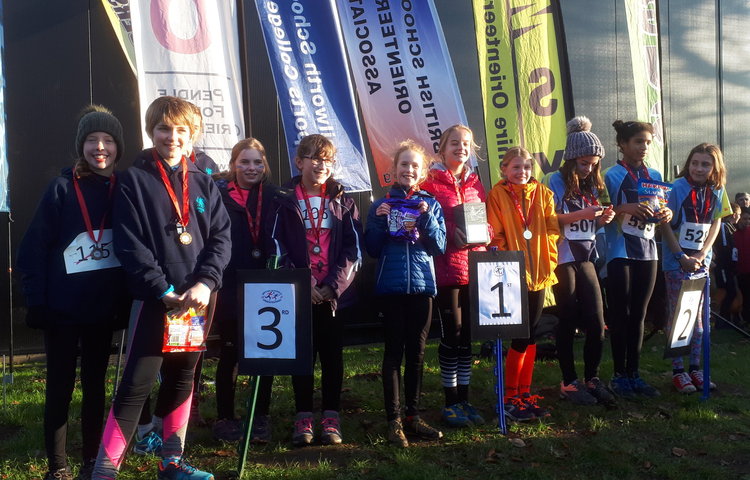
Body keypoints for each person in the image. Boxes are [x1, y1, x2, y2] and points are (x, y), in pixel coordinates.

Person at [92, 96, 231, 480]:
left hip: (198, 301)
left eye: (181, 130)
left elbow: (221, 239)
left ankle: (172, 463)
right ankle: (104, 471)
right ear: (151, 131)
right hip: (157, 300)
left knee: (183, 378)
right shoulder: (132, 181)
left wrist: (206, 282)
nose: (172, 137)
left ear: (192, 135)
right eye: (164, 129)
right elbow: (130, 244)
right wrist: (162, 290)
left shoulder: (204, 182)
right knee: (136, 383)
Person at [17, 105, 129, 480]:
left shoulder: (124, 188)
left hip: (102, 310)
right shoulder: (62, 188)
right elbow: (32, 249)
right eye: (92, 140)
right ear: (81, 146)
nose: (100, 147)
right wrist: (36, 301)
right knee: (60, 387)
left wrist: (125, 301)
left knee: (96, 388)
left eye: (108, 140)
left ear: (118, 146)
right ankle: (58, 466)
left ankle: (90, 462)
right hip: (62, 310)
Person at [267, 134, 363, 446]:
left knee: (333, 357)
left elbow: (354, 249)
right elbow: (276, 244)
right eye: (315, 158)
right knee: (303, 357)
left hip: (333, 295)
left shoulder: (342, 200)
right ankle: (303, 417)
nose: (322, 165)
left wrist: (333, 286)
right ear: (299, 162)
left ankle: (332, 417)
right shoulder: (284, 199)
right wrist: (302, 283)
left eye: (328, 160)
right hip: (300, 294)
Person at [365, 140, 446, 447]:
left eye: (414, 165)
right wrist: (382, 223)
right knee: (393, 353)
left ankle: (413, 415)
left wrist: (425, 217)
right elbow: (371, 249)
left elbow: (438, 246)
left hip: (422, 287)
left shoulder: (431, 203)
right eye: (403, 164)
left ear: (422, 171)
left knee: (418, 353)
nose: (408, 169)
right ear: (394, 170)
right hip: (391, 287)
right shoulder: (379, 205)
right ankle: (393, 420)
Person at [420, 124, 489, 428]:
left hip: (475, 267)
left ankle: (465, 399)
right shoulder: (429, 183)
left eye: (466, 144)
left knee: (468, 338)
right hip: (446, 269)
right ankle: (450, 403)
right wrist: (451, 233)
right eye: (454, 143)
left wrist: (482, 233)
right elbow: (425, 224)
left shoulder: (475, 182)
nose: (461, 148)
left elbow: (487, 222)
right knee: (452, 335)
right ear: (442, 148)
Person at [545, 117, 616, 406]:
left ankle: (592, 377)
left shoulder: (592, 184)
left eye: (594, 163)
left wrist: (601, 220)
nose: (588, 168)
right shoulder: (555, 180)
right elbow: (552, 220)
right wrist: (585, 215)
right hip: (563, 257)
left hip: (586, 257)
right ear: (572, 159)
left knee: (597, 322)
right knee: (568, 317)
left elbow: (589, 227)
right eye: (583, 163)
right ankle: (568, 381)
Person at [212, 138, 278, 443]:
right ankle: (225, 417)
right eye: (244, 162)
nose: (251, 168)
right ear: (233, 165)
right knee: (230, 353)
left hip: (265, 286)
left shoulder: (276, 197)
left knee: (264, 351)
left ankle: (260, 415)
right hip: (228, 286)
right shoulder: (219, 195)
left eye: (257, 162)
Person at [487, 147, 560, 421]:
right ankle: (508, 397)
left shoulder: (543, 194)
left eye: (526, 167)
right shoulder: (496, 195)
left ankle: (524, 393)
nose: (522, 172)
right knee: (520, 334)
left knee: (532, 334)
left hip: (540, 273)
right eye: (516, 167)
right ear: (504, 169)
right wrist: (509, 265)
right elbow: (496, 233)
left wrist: (548, 260)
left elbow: (552, 230)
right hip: (513, 274)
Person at [603, 120, 673, 399]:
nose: (644, 147)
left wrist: (665, 215)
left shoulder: (654, 174)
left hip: (648, 252)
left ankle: (635, 373)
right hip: (619, 251)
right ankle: (619, 375)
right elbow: (601, 209)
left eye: (647, 142)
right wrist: (623, 208)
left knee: (640, 316)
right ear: (622, 144)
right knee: (621, 315)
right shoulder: (611, 175)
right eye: (638, 142)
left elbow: (661, 207)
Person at [661, 143, 730, 393]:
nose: (699, 169)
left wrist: (703, 253)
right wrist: (680, 256)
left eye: (705, 164)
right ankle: (678, 371)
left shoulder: (717, 190)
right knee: (680, 316)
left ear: (714, 167)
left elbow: (716, 221)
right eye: (695, 163)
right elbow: (664, 223)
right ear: (688, 164)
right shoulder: (676, 188)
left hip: (701, 262)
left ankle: (695, 368)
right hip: (677, 262)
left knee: (701, 320)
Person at [712, 202, 741, 327]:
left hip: (729, 267)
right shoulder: (724, 227)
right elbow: (724, 247)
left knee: (731, 291)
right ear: (734, 214)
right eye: (739, 215)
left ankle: (726, 318)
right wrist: (726, 264)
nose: (739, 217)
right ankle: (721, 320)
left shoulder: (731, 228)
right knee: (728, 291)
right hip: (723, 266)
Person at [186, 102, 220, 175]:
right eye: (187, 127)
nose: (191, 132)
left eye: (195, 127)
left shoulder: (207, 163)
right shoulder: (158, 160)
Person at [734, 207, 750, 324]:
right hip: (738, 271)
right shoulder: (731, 232)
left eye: (749, 219)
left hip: (748, 270)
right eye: (744, 218)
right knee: (741, 296)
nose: (747, 221)